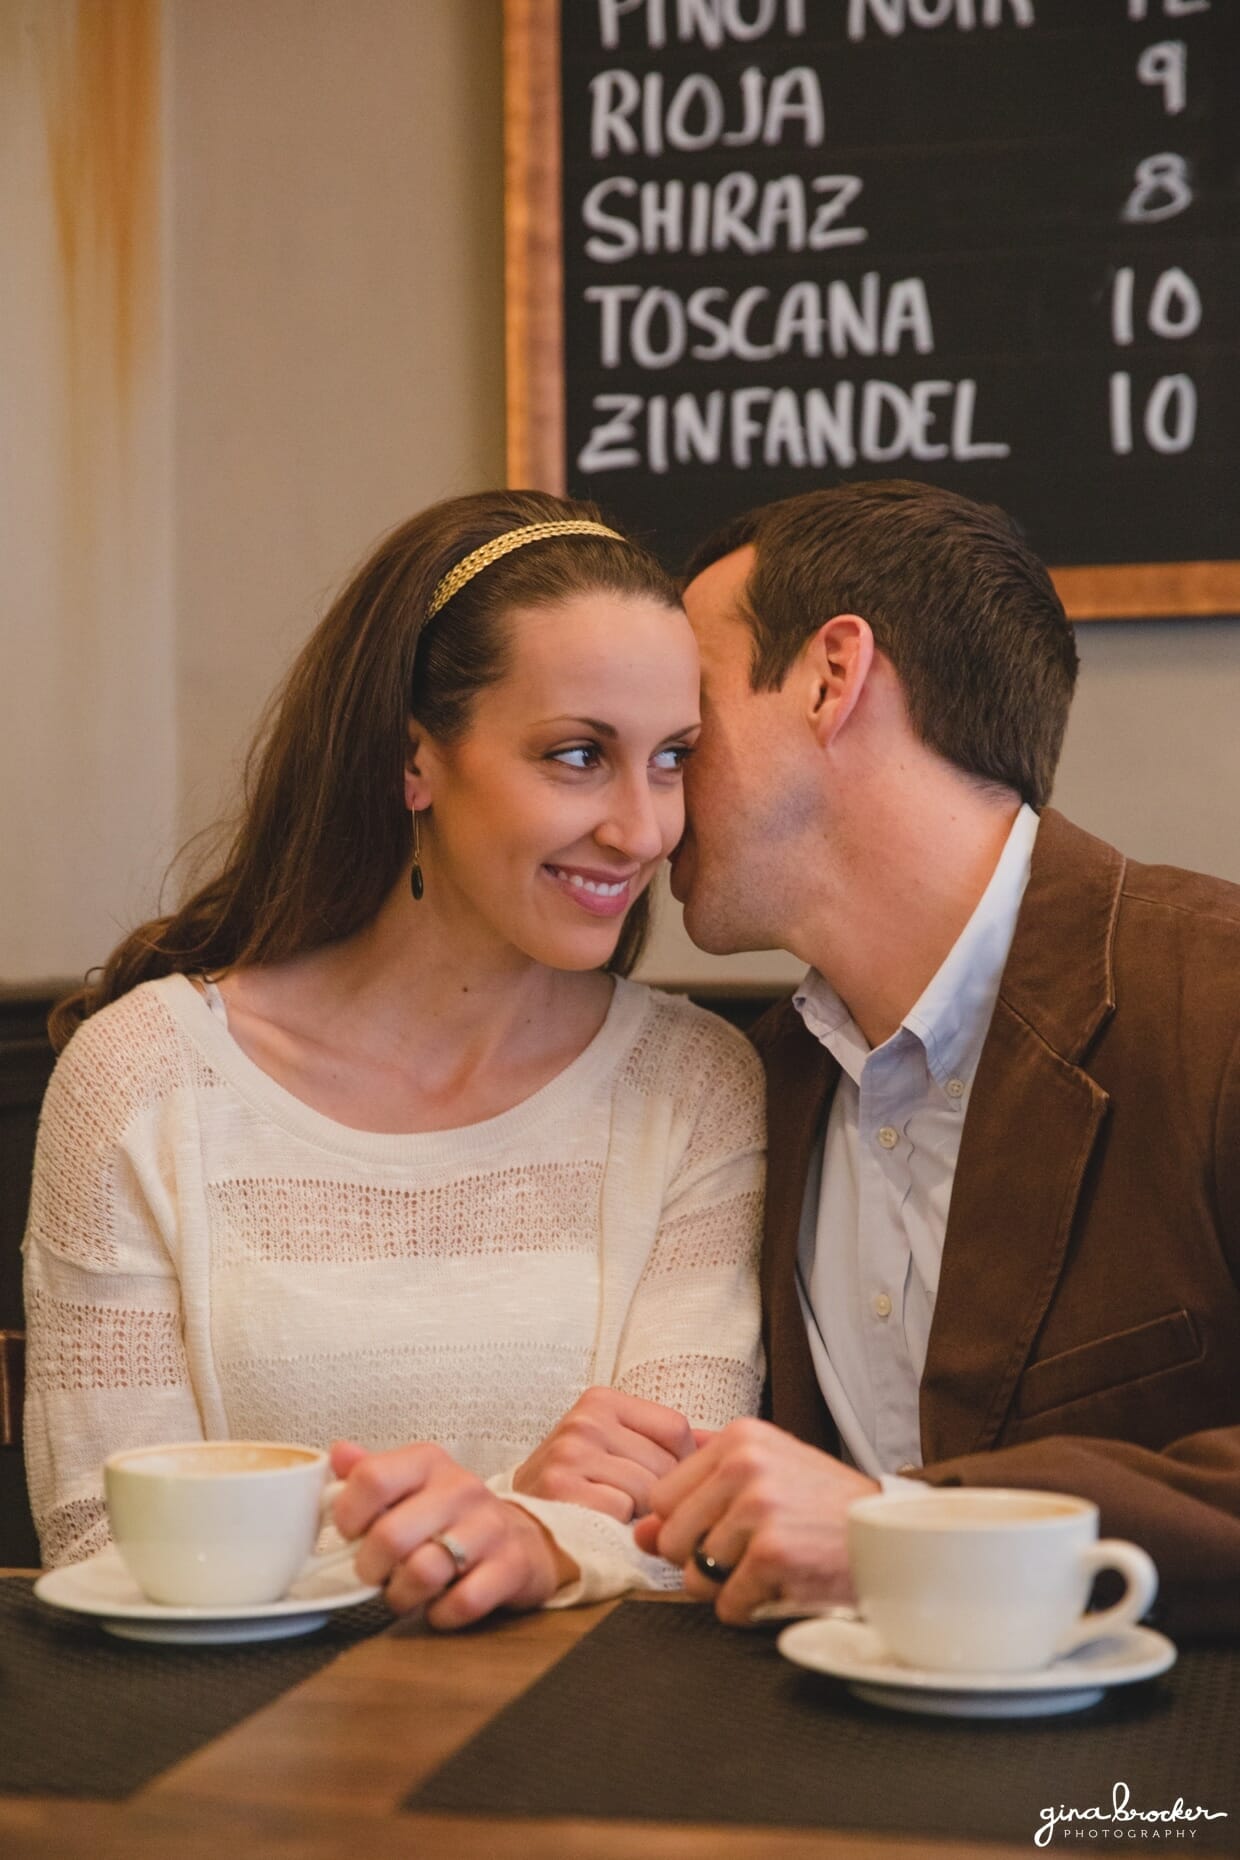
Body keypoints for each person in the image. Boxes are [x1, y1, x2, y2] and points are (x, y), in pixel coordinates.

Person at [23, 490, 765, 1626]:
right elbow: (100, 1544)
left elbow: (676, 1526)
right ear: (415, 760)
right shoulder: (140, 1079)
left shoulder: (698, 1089)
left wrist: (489, 1538)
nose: (643, 829)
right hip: (231, 1764)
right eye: (577, 756)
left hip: (595, 1755)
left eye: (671, 758)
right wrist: (522, 1518)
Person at [633, 480, 1240, 1640]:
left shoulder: (1212, 1000)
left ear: (831, 675)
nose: (650, 789)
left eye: (685, 721)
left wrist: (905, 1531)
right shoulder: (743, 1088)